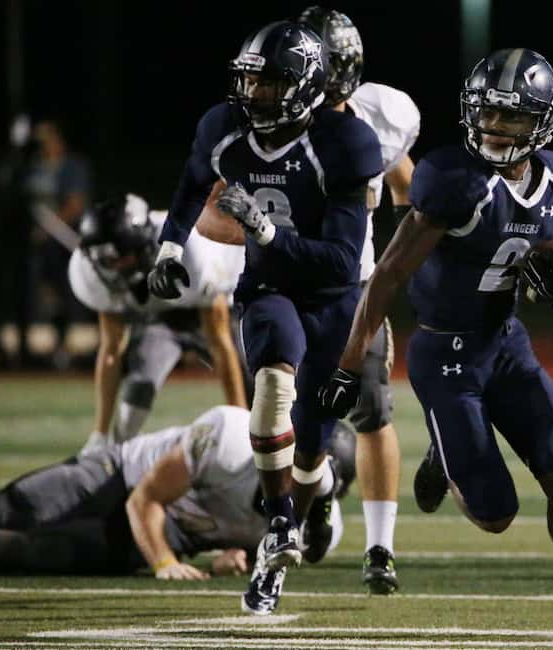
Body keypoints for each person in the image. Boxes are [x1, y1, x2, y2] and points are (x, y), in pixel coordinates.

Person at [321, 48, 553, 638]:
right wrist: (349, 363)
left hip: (507, 346)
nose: (493, 127)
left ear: (541, 120)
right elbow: (388, 274)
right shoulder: (454, 181)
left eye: (510, 118)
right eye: (486, 113)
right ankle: (448, 458)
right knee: (496, 516)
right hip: (444, 355)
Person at [146, 21, 382, 614]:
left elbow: (338, 262)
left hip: (333, 296)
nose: (254, 96)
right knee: (272, 385)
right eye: (249, 82)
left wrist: (265, 229)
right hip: (270, 284)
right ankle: (278, 534)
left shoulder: (346, 143)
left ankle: (316, 491)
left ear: (305, 88)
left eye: (270, 84)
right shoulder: (224, 128)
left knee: (309, 448)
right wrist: (170, 250)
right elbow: (191, 186)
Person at [0, 405, 352, 602]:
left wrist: (235, 556)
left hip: (169, 533)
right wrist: (163, 563)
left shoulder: (315, 533)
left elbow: (260, 548)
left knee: (33, 553)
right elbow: (145, 498)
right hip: (122, 475)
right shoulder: (231, 437)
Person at [297, 5, 420, 594]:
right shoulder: (269, 120)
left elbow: (407, 188)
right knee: (289, 418)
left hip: (357, 292)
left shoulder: (381, 117)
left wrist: (420, 250)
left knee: (373, 413)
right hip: (287, 292)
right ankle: (320, 488)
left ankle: (380, 549)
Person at [69, 193, 248, 452]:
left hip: (207, 311)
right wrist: (99, 433)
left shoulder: (193, 254)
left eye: (121, 258)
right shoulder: (90, 270)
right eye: (107, 261)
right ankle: (115, 458)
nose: (114, 268)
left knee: (258, 397)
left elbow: (220, 344)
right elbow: (111, 349)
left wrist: (239, 421)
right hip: (159, 320)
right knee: (138, 391)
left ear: (143, 244)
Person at [22, 119, 94, 368]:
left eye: (45, 139)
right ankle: (33, 348)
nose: (41, 145)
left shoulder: (73, 167)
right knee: (38, 292)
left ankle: (67, 348)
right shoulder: (33, 167)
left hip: (63, 241)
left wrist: (50, 228)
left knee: (67, 292)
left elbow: (76, 203)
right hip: (35, 244)